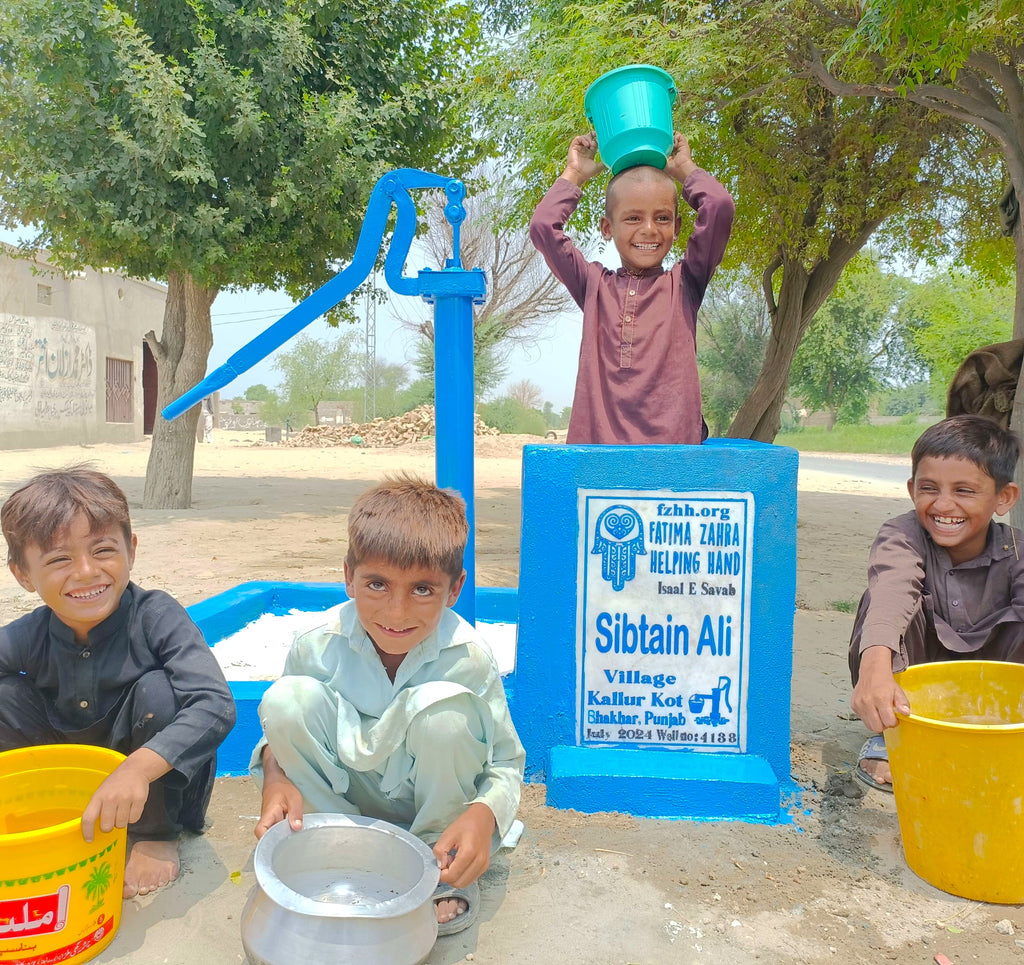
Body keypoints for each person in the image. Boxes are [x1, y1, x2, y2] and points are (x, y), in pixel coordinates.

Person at [251, 474, 525, 935]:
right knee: (286, 699)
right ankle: (333, 848)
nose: (397, 612)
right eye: (377, 584)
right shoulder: (316, 646)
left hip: (433, 808)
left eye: (423, 590)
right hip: (345, 799)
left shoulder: (469, 659)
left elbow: (505, 764)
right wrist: (275, 778)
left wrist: (482, 816)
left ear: (455, 589)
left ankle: (439, 865)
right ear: (348, 577)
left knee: (448, 716)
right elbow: (280, 733)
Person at [0, 466, 236, 896]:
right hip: (74, 781)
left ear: (131, 549)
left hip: (156, 786)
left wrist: (138, 769)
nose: (86, 571)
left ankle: (153, 835)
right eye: (59, 559)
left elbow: (214, 704)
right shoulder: (29, 635)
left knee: (159, 692)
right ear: (24, 575)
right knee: (6, 696)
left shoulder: (156, 616)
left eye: (103, 550)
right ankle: (42, 813)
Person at [849, 414, 1024, 790]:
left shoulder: (1018, 551)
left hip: (995, 697)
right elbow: (893, 588)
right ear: (913, 490)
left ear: (1004, 498)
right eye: (929, 488)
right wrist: (874, 667)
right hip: (912, 694)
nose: (944, 505)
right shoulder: (903, 535)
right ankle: (891, 735)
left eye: (964, 491)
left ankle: (1008, 737)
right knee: (879, 603)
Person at [529, 130, 735, 445]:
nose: (649, 229)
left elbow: (719, 207)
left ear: (677, 227)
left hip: (672, 457)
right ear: (607, 228)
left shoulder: (685, 283)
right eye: (633, 218)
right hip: (600, 457)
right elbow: (543, 227)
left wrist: (685, 169)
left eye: (662, 218)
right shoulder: (593, 286)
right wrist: (574, 174)